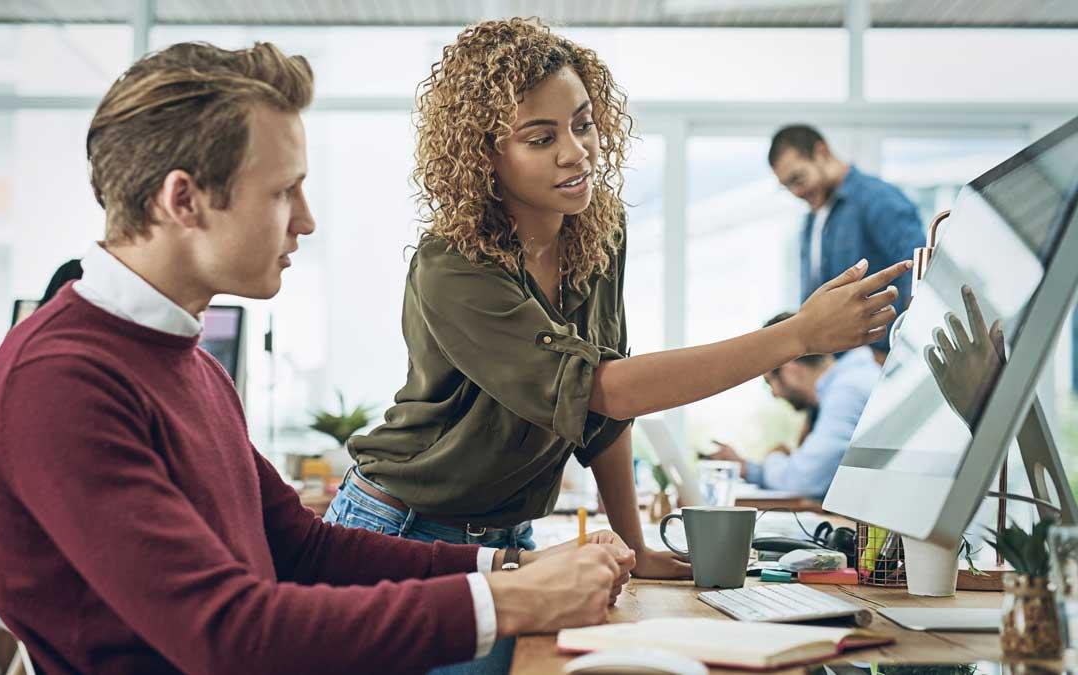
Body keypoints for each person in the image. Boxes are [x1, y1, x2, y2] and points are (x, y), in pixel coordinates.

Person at [0, 41, 636, 675]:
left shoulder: (188, 364)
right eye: (284, 190)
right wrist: (518, 598)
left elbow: (300, 548)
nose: (306, 219)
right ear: (183, 200)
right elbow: (224, 632)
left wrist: (515, 565)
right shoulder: (60, 382)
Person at [329, 20, 909, 673]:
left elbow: (603, 417)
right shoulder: (452, 265)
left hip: (506, 538)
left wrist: (638, 544)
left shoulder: (595, 233)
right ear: (485, 155)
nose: (576, 151)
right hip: (405, 532)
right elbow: (603, 385)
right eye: (541, 137)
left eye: (583, 123)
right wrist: (794, 336)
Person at [769, 124, 926, 359]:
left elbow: (919, 272)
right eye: (787, 186)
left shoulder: (876, 198)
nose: (796, 192)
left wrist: (902, 356)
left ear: (821, 152)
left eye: (798, 178)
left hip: (880, 362)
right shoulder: (813, 219)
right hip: (840, 368)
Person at [706, 312, 882, 499]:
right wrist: (748, 469)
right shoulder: (848, 383)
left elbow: (804, 481)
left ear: (789, 367)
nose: (774, 394)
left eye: (769, 382)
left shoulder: (847, 391)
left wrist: (773, 457)